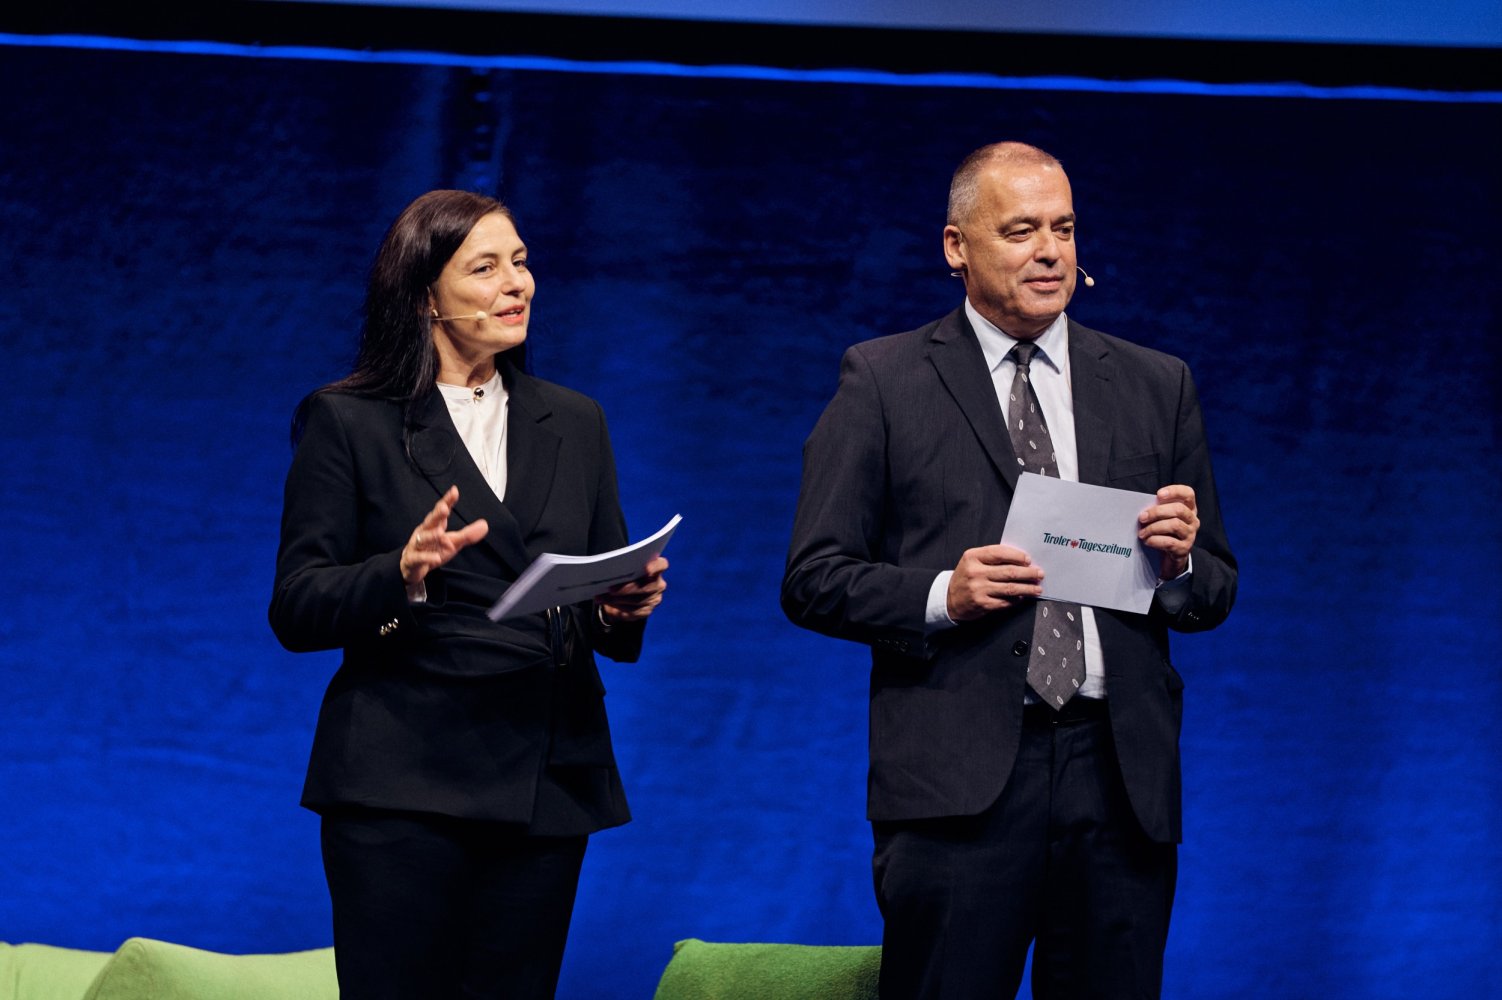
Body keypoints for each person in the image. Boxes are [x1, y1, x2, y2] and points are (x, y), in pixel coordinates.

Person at [781, 142, 1236, 999]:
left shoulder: (1156, 383)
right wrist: (940, 596)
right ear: (956, 247)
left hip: (1118, 782)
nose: (1051, 251)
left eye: (1064, 228)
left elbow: (1213, 586)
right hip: (958, 785)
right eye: (1022, 231)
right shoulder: (883, 380)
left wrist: (1177, 566)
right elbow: (812, 577)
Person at [268, 189, 667, 999]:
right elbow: (298, 605)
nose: (516, 283)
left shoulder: (575, 421)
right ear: (426, 297)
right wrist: (398, 572)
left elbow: (598, 593)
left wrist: (616, 609)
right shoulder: (351, 422)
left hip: (545, 768)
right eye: (485, 268)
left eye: (520, 261)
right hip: (403, 776)